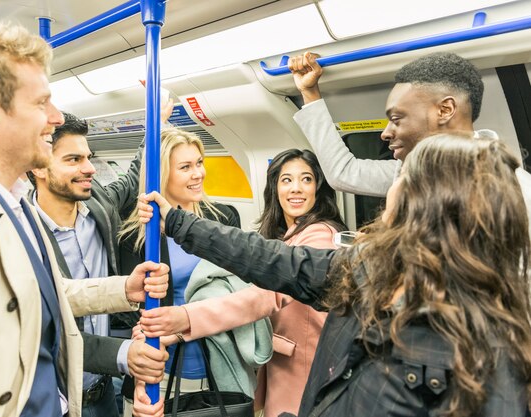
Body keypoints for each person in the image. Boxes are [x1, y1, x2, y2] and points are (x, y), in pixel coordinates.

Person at [137, 134, 531, 417]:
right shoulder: (366, 269)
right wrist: (178, 223)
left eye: (403, 180)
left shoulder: (488, 356)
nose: (390, 190)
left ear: (426, 208)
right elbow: (272, 261)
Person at [0, 18, 169, 417]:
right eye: (40, 102)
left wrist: (121, 288)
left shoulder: (14, 199)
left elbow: (40, 292)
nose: (56, 116)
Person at [138, 148, 347, 416]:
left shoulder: (319, 235)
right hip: (286, 364)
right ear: (274, 188)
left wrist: (185, 318)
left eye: (306, 179)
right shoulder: (289, 235)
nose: (296, 189)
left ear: (319, 188)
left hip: (304, 366)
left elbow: (264, 296)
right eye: (287, 180)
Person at [288, 51, 531, 235]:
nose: (384, 134)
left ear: (445, 110)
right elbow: (344, 173)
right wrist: (309, 93)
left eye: (396, 119)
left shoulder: (516, 189)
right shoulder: (407, 173)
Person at [29, 111, 171, 417]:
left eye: (88, 157)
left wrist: (154, 121)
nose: (90, 168)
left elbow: (135, 175)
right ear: (39, 165)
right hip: (58, 396)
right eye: (74, 160)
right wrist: (122, 354)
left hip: (106, 389)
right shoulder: (23, 234)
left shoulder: (100, 206)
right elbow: (47, 325)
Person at [117, 127, 241, 416]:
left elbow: (236, 290)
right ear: (161, 175)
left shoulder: (223, 219)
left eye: (199, 163)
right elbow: (129, 309)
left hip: (216, 363)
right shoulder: (135, 236)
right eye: (185, 167)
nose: (197, 173)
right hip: (157, 369)